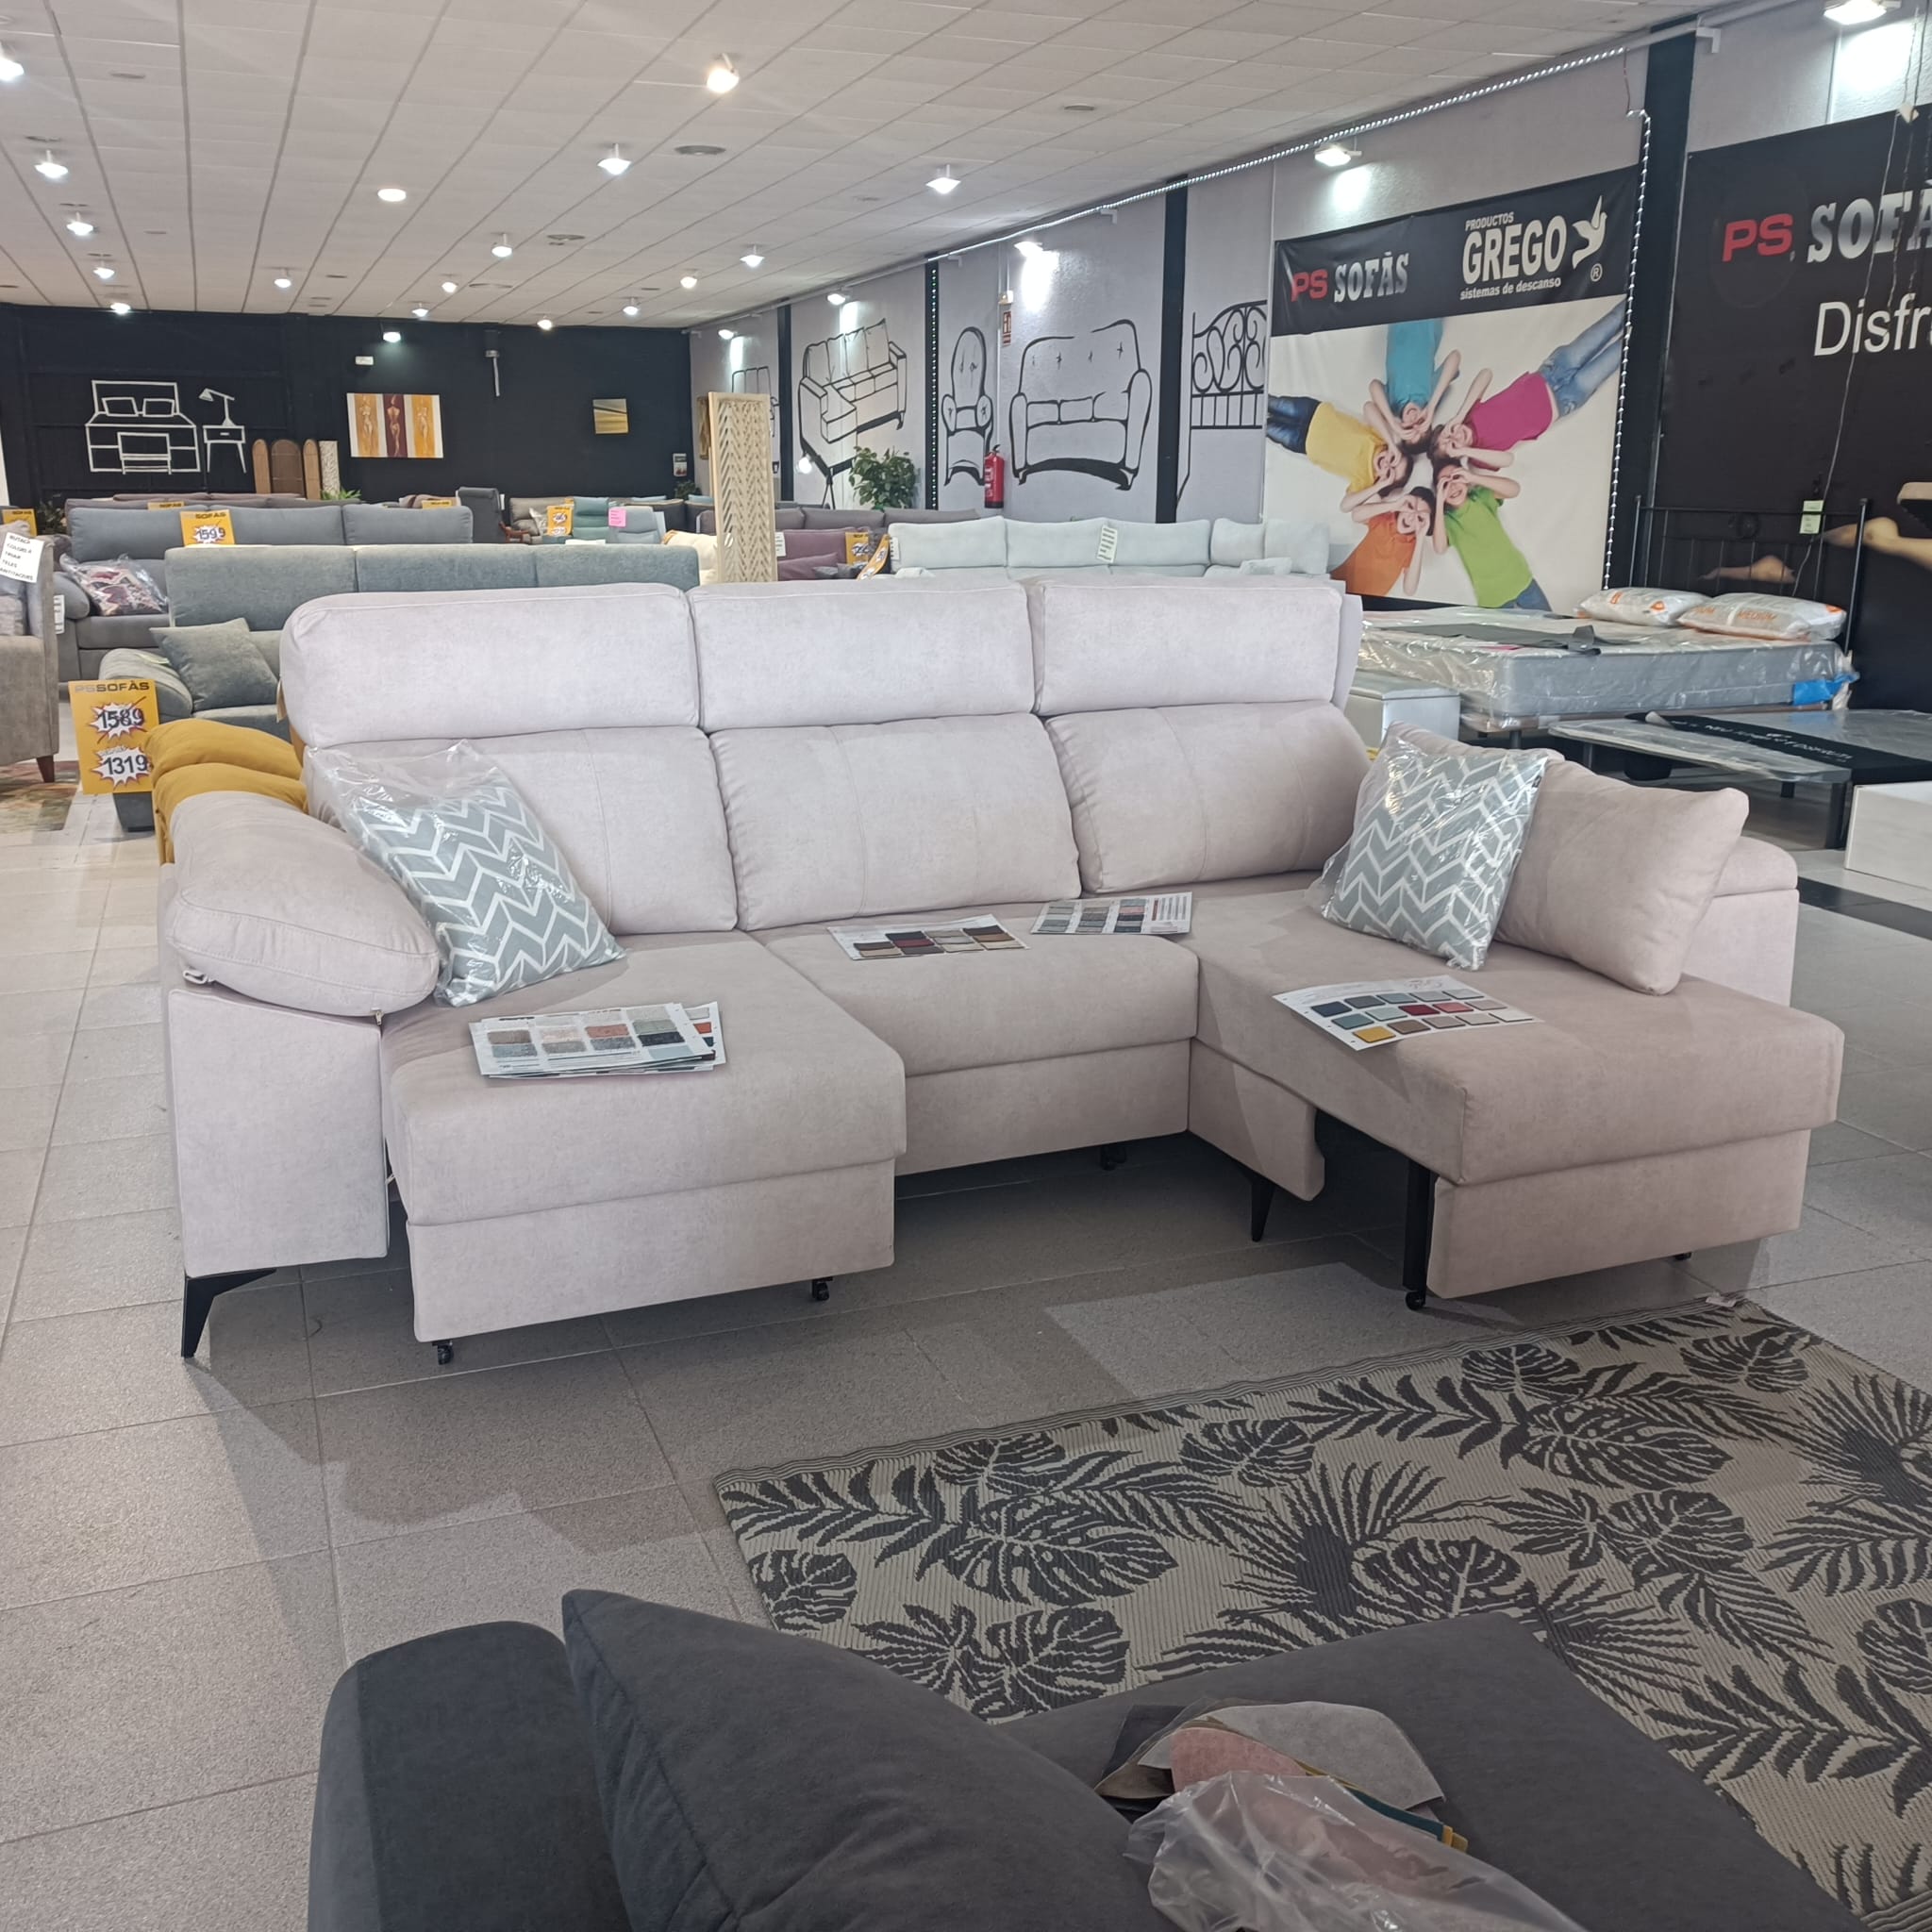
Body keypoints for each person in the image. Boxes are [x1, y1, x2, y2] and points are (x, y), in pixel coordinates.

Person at [1440, 298, 1626, 459]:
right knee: (1621, 350)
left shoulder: (1470, 414)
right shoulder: (1482, 455)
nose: (1456, 437)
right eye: (1453, 445)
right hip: (1567, 399)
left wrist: (1459, 416)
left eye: (1449, 433)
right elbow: (1507, 459)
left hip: (1552, 371)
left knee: (1612, 321)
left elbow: (1486, 374)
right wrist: (1466, 452)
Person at [1267, 394, 1406, 495]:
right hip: (1314, 413)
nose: (1387, 464)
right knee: (1270, 402)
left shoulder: (1366, 480)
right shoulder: (1379, 440)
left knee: (1264, 428)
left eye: (1389, 472)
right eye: (1393, 459)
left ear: (1383, 479)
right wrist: (1391, 443)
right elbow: (1368, 407)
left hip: (1303, 443)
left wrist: (1379, 486)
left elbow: (1345, 506)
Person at [1443, 483, 1549, 609]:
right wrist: (1439, 501)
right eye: (1445, 484)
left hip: (1521, 580)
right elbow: (1440, 547)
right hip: (1493, 597)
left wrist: (1471, 477)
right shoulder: (1447, 520)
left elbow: (1514, 490)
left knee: (1548, 622)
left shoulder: (1481, 497)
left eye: (1456, 479)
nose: (1452, 487)